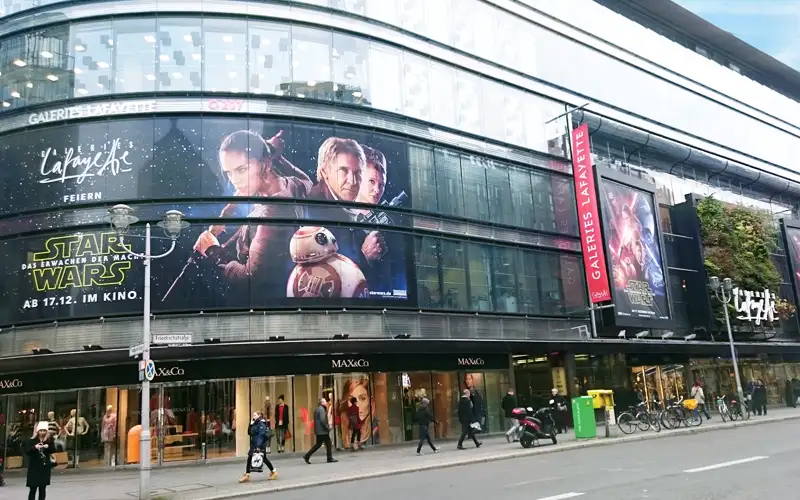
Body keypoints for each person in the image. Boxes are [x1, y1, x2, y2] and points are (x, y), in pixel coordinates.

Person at [192, 129, 312, 300]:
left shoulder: (272, 213)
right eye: (229, 173)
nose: (235, 180)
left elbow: (249, 279)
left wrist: (212, 250)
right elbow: (307, 181)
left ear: (266, 164)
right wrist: (277, 156)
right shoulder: (290, 185)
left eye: (242, 169)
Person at [240, 412, 277, 483]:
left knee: (262, 459)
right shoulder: (255, 423)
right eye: (253, 415)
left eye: (255, 415)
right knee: (254, 458)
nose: (253, 416)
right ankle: (273, 471)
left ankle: (247, 475)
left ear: (259, 416)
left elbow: (261, 437)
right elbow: (249, 433)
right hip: (254, 444)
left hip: (259, 445)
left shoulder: (261, 424)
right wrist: (250, 424)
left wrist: (258, 447)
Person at [303, 399, 337, 464]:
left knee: (318, 444)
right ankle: (329, 458)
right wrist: (327, 427)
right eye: (324, 401)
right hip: (323, 431)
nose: (326, 402)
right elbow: (322, 420)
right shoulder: (321, 410)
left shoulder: (318, 409)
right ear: (322, 403)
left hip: (319, 430)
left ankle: (307, 456)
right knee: (328, 443)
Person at [27, 421, 54, 500]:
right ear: (37, 431)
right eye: (41, 430)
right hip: (34, 467)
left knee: (42, 489)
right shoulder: (32, 440)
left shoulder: (49, 440)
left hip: (44, 467)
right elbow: (28, 452)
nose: (42, 432)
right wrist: (35, 447)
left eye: (44, 430)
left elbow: (53, 450)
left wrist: (47, 447)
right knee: (33, 488)